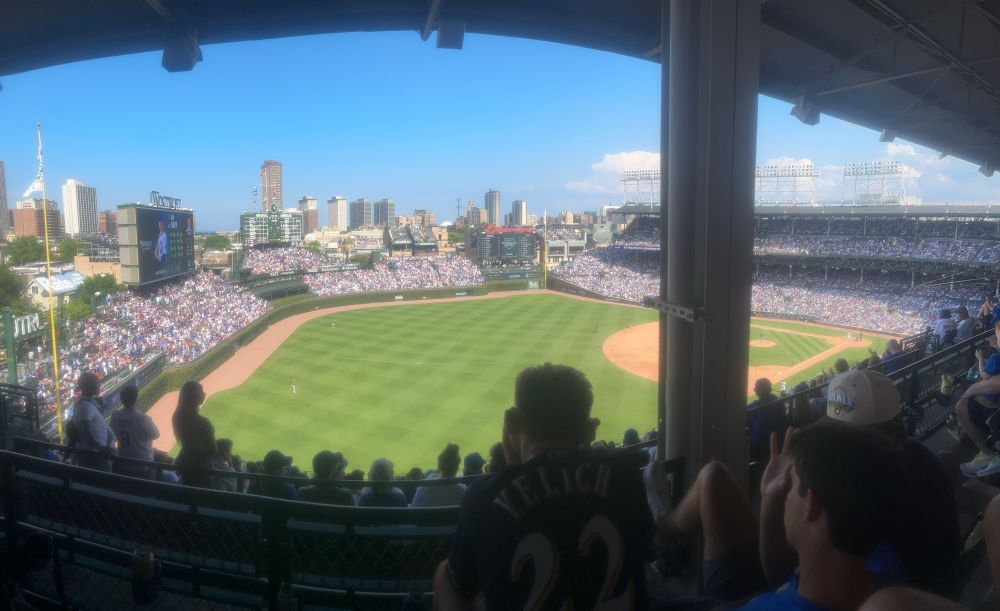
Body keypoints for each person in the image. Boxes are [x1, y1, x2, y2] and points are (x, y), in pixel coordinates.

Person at [434, 363, 652, 610]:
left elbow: (464, 586)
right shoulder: (625, 474)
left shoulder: (483, 498)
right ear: (587, 429)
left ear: (512, 421)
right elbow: (643, 547)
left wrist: (512, 471)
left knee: (444, 575)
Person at [644, 422, 903, 611]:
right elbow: (779, 579)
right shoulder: (881, 569)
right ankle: (664, 528)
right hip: (774, 591)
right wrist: (771, 498)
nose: (786, 496)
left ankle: (658, 549)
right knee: (713, 477)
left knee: (651, 589)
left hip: (739, 600)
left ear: (810, 506)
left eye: (789, 487)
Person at [172, 381, 216, 488]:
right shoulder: (204, 422)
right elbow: (213, 450)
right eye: (201, 392)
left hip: (183, 462)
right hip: (201, 468)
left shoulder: (176, 416)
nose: (204, 394)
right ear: (195, 397)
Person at [109, 384, 159, 478]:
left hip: (123, 465)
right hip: (143, 467)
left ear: (122, 400)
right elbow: (156, 435)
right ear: (136, 399)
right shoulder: (143, 418)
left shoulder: (115, 416)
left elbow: (111, 436)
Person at [71, 372, 114, 471]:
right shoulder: (84, 406)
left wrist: (101, 406)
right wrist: (100, 448)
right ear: (89, 387)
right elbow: (84, 431)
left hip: (95, 454)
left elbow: (95, 423)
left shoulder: (88, 401)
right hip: (94, 456)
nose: (99, 386)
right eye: (97, 384)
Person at [746, 378, 785, 464]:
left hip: (758, 447)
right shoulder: (779, 403)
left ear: (755, 391)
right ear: (770, 389)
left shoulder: (750, 408)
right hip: (779, 443)